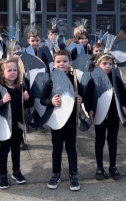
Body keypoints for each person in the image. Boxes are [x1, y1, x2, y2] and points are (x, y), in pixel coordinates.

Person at [41, 50, 83, 191]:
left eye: (64, 61)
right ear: (53, 64)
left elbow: (82, 95)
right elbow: (42, 100)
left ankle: (73, 174)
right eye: (58, 61)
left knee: (71, 148)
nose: (61, 64)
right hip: (56, 121)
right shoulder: (50, 80)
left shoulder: (75, 79)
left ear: (70, 63)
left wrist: (80, 99)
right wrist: (51, 101)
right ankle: (56, 173)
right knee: (57, 148)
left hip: (70, 121)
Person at [0, 59, 34, 189]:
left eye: (15, 70)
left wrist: (27, 98)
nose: (13, 72)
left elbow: (30, 105)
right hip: (4, 125)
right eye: (9, 70)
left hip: (18, 124)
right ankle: (3, 175)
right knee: (4, 150)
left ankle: (16, 171)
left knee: (16, 149)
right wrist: (2, 101)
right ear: (2, 73)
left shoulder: (21, 87)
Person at [85, 53, 126, 180]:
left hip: (114, 115)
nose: (108, 66)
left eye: (110, 64)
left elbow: (123, 94)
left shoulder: (115, 79)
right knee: (99, 141)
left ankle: (113, 166)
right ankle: (99, 167)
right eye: (104, 64)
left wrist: (124, 105)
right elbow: (88, 97)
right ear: (97, 65)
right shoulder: (94, 79)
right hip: (100, 115)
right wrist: (89, 109)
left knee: (113, 141)